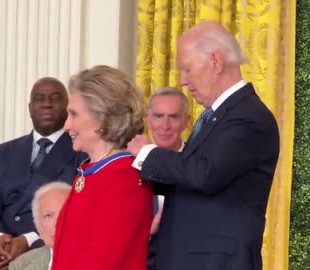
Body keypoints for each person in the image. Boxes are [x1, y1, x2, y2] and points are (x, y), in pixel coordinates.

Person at [128, 20, 280, 270]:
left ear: (216, 62)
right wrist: (126, 163)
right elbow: (187, 180)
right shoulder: (215, 116)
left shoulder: (249, 116)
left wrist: (147, 153)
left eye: (187, 69)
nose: (183, 80)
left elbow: (203, 173)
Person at [0, 77, 87, 270]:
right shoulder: (2, 153)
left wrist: (27, 240)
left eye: (55, 98)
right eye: (40, 98)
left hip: (44, 244)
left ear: (67, 106)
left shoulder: (81, 152)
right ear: (30, 108)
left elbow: (77, 212)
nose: (46, 104)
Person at [51, 65, 153, 270]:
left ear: (102, 118)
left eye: (74, 115)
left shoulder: (124, 176)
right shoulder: (94, 170)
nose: (66, 126)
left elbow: (102, 260)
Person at [146, 87, 190, 270]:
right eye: (158, 116)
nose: (165, 126)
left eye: (173, 117)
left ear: (186, 122)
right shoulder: (133, 167)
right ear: (148, 120)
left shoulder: (200, 165)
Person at [9, 182, 71, 270]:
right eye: (48, 215)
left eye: (65, 213)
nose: (58, 223)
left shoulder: (96, 261)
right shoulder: (20, 266)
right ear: (38, 227)